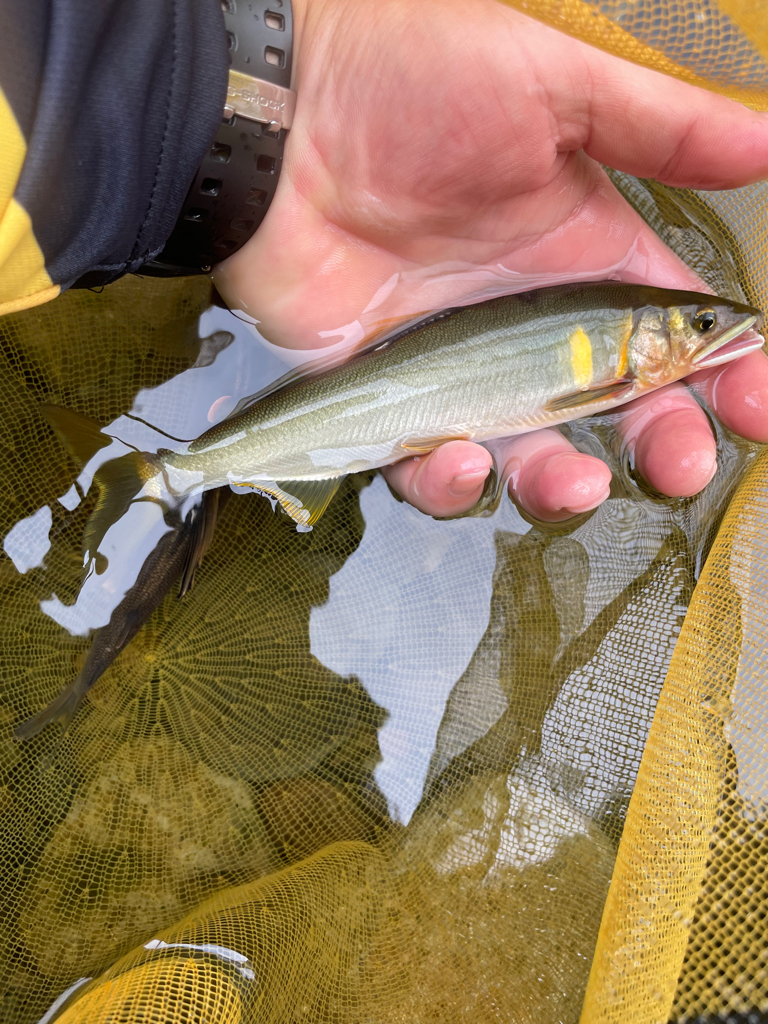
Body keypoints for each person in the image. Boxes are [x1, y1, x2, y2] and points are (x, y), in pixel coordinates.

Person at [3, 0, 768, 524]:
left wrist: (304, 45)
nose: (708, 328)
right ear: (642, 336)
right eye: (698, 322)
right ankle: (174, 473)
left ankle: (175, 472)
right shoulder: (618, 361)